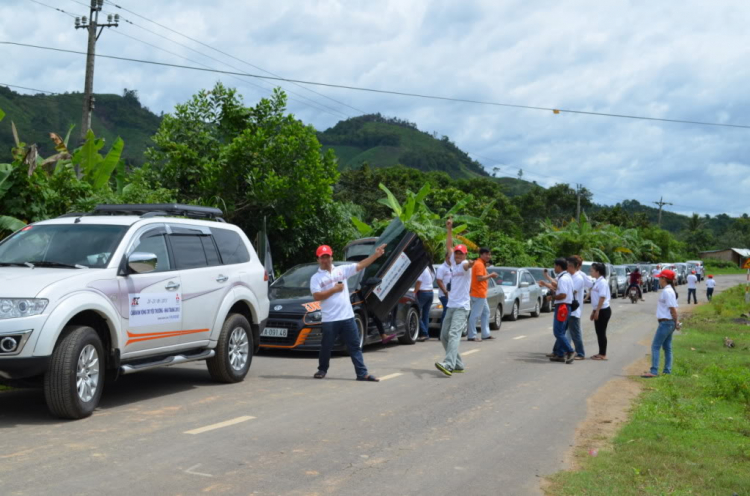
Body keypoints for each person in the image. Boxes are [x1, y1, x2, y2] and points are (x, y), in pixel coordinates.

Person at [311, 244, 384, 382]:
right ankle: (322, 369)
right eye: (322, 258)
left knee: (354, 346)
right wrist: (334, 289)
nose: (325, 260)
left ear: (332, 257)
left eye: (327, 257)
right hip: (330, 319)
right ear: (318, 260)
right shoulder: (316, 278)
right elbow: (317, 296)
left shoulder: (341, 270)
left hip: (347, 317)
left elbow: (361, 265)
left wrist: (376, 255)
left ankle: (362, 374)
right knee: (326, 346)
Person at [435, 218, 475, 377]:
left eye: (461, 253)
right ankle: (458, 364)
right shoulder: (453, 262)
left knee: (453, 334)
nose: (458, 255)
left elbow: (467, 265)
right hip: (451, 305)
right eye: (457, 253)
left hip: (462, 307)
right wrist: (449, 229)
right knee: (443, 336)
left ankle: (449, 364)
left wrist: (470, 264)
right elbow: (449, 245)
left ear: (465, 255)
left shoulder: (465, 266)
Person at [642, 269, 680, 378]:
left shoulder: (667, 292)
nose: (658, 279)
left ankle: (654, 371)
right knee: (667, 347)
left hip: (666, 323)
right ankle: (667, 370)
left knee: (655, 346)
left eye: (660, 278)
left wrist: (676, 321)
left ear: (664, 279)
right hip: (668, 322)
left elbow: (672, 309)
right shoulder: (669, 290)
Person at [545, 258, 576, 364]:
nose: (554, 268)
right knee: (561, 331)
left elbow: (563, 294)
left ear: (558, 266)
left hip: (562, 306)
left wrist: (552, 297)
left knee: (558, 332)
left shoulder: (563, 279)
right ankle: (560, 353)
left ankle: (570, 351)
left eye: (555, 266)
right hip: (566, 306)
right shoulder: (567, 277)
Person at [467, 247, 498, 342]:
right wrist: (491, 275)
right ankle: (472, 335)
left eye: (489, 254)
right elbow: (479, 278)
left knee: (486, 312)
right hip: (478, 293)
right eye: (487, 254)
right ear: (481, 254)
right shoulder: (479, 264)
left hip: (481, 294)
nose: (489, 256)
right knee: (475, 314)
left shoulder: (481, 264)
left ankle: (485, 334)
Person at [588, 262, 612, 360]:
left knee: (601, 332)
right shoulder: (597, 281)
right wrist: (593, 311)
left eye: (592, 270)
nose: (591, 272)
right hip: (598, 309)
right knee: (599, 332)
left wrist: (597, 311)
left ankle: (603, 354)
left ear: (598, 272)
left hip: (603, 310)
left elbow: (602, 297)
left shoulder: (602, 282)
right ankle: (600, 352)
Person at [565, 256, 586, 360]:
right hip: (568, 309)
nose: (567, 267)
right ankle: (563, 351)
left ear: (572, 267)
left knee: (575, 334)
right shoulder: (569, 276)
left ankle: (581, 353)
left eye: (568, 266)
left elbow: (571, 292)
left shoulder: (578, 278)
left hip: (574, 310)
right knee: (565, 332)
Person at [414, 265, 435, 342]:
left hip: (423, 293)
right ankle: (425, 334)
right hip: (430, 292)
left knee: (416, 313)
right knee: (425, 315)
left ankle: (424, 333)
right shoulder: (431, 268)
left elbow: (419, 282)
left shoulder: (422, 268)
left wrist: (414, 292)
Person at [436, 258, 452, 325]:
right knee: (447, 312)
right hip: (444, 295)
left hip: (452, 295)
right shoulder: (442, 268)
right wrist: (445, 292)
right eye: (449, 257)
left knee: (450, 313)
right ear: (446, 257)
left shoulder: (453, 267)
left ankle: (446, 331)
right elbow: (439, 281)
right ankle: (442, 331)